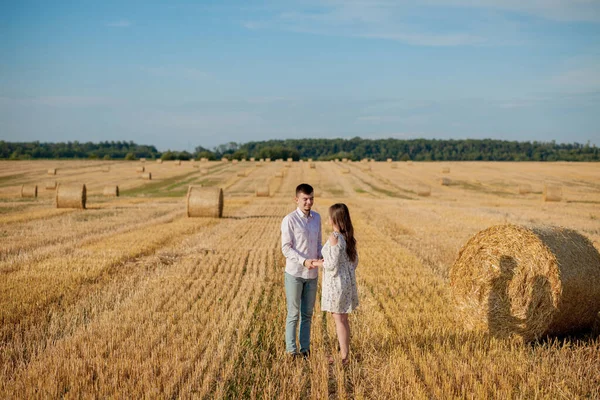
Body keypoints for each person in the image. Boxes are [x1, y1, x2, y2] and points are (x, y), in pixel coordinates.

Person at [313, 203, 358, 365]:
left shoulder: (335, 238)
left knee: (339, 320)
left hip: (336, 285)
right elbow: (354, 262)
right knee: (343, 319)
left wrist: (317, 263)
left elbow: (331, 264)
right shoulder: (348, 237)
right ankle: (345, 354)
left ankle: (344, 357)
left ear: (334, 219)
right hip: (346, 283)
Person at [281, 183, 322, 358]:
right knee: (293, 313)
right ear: (296, 199)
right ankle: (291, 351)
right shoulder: (289, 220)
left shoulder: (317, 218)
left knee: (307, 314)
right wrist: (303, 261)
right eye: (305, 199)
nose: (309, 202)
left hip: (312, 274)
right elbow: (286, 248)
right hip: (295, 274)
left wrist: (322, 258)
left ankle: (305, 350)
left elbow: (319, 243)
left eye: (311, 198)